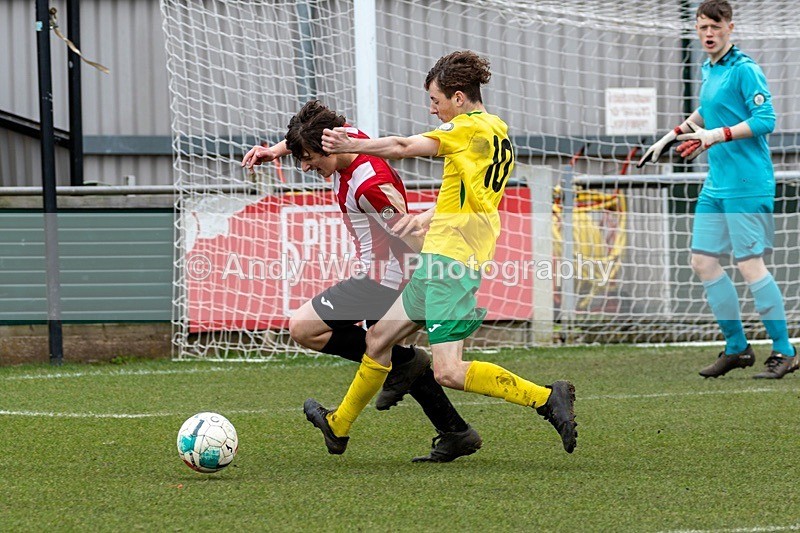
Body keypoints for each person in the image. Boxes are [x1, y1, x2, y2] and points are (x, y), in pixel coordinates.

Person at [303, 50, 578, 456]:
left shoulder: (464, 128)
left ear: (459, 98)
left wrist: (353, 144)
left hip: (451, 262)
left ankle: (545, 398)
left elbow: (402, 145)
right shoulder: (496, 130)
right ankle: (338, 425)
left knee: (448, 370)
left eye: (436, 101)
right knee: (378, 339)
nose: (433, 110)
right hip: (439, 257)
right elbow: (476, 192)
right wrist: (430, 215)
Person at [241, 100, 482, 462]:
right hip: (379, 273)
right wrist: (276, 151)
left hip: (383, 279)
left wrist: (440, 276)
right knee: (389, 353)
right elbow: (310, 135)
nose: (305, 167)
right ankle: (456, 431)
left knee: (304, 328)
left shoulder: (370, 185)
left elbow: (411, 234)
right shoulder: (347, 139)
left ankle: (391, 384)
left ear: (328, 148)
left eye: (308, 158)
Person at [638, 0, 796, 379]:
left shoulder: (745, 69)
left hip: (747, 182)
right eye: (703, 27)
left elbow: (766, 120)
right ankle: (737, 348)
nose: (709, 33)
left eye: (715, 26)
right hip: (717, 183)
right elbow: (708, 111)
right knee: (702, 262)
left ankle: (786, 351)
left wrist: (717, 135)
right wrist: (671, 135)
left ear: (730, 28)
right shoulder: (709, 68)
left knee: (750, 264)